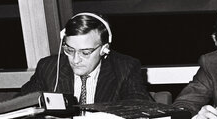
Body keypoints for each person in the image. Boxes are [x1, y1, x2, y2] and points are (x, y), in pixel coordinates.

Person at [20, 13, 152, 104]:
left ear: (103, 49)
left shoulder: (125, 68)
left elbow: (139, 110)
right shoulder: (48, 68)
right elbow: (18, 107)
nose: (75, 60)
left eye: (85, 52)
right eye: (69, 50)